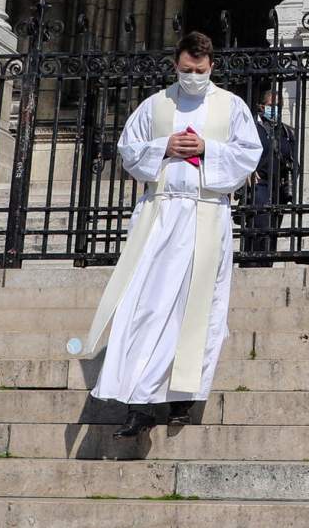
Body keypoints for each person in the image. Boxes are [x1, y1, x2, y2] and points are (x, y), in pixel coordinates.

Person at [77, 32, 262, 438]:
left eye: (199, 71)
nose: (192, 77)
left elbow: (250, 153)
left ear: (212, 66)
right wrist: (164, 146)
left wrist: (207, 148)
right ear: (174, 66)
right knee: (148, 305)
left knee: (197, 310)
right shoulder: (156, 104)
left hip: (206, 215)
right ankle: (139, 403)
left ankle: (182, 397)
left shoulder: (231, 106)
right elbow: (128, 149)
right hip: (160, 214)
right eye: (185, 70)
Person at [239, 90, 297, 268]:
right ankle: (251, 264)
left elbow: (294, 159)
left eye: (279, 106)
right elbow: (239, 152)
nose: (276, 110)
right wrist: (247, 170)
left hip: (278, 187)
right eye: (272, 106)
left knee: (272, 229)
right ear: (262, 107)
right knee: (259, 227)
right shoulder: (252, 129)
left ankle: (266, 265)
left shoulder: (287, 131)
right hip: (259, 184)